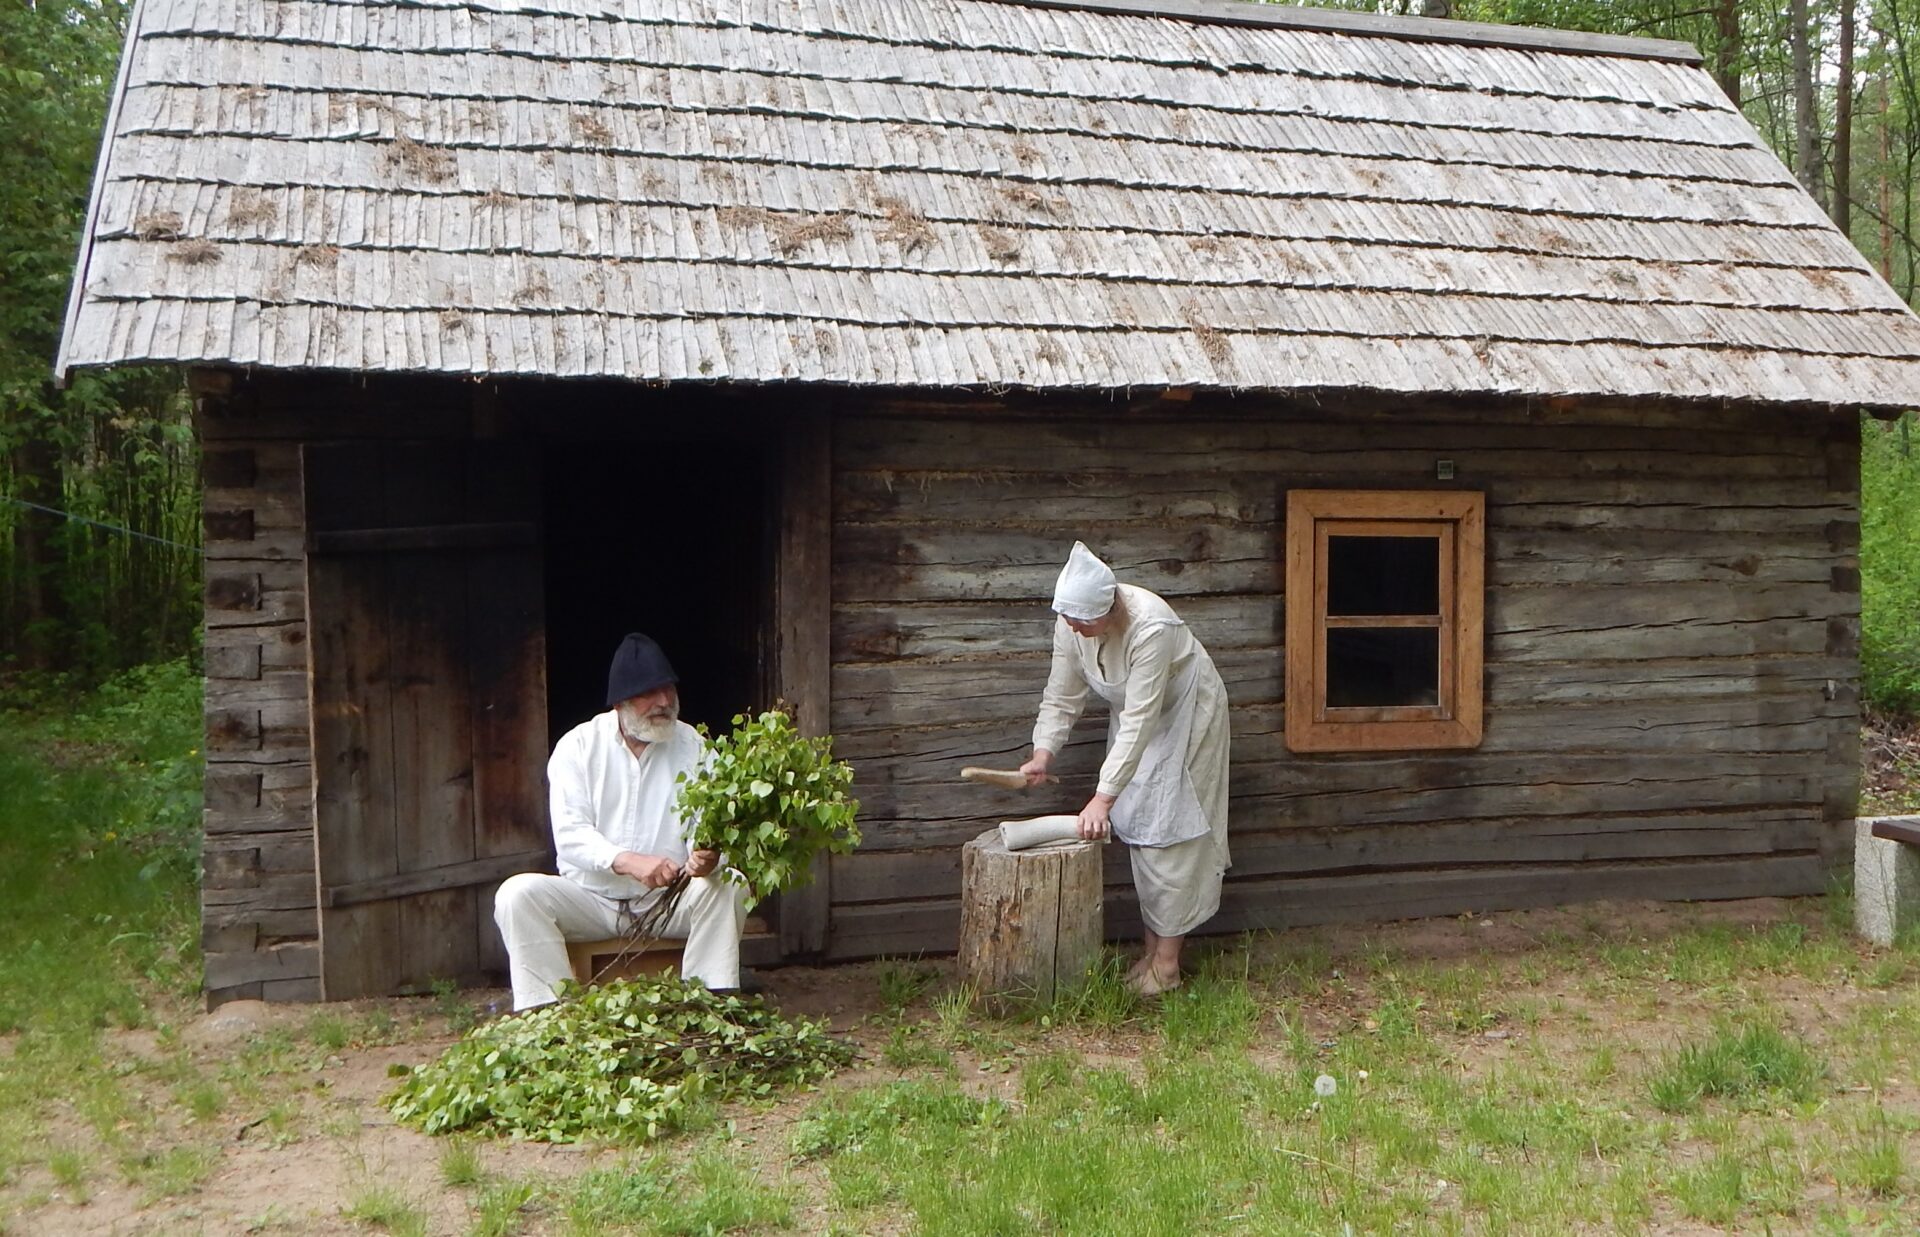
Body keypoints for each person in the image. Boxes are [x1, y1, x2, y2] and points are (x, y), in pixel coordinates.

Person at [1018, 542, 1231, 995]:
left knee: (1169, 828)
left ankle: (1168, 964)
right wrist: (1043, 753)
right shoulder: (1071, 623)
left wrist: (1102, 797)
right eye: (1069, 619)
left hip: (1185, 715)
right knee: (1136, 821)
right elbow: (1062, 693)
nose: (1074, 627)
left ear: (1109, 608)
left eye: (1083, 620)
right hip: (1141, 721)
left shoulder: (1151, 626)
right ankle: (1152, 952)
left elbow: (1140, 718)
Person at [493, 632, 747, 1010]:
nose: (664, 702)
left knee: (730, 884)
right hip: (592, 902)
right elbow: (571, 836)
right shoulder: (578, 747)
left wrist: (705, 857)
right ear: (620, 702)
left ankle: (706, 1005)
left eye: (669, 690)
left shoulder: (694, 746)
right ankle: (546, 1016)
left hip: (668, 902)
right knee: (517, 895)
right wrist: (631, 861)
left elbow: (705, 826)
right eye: (650, 693)